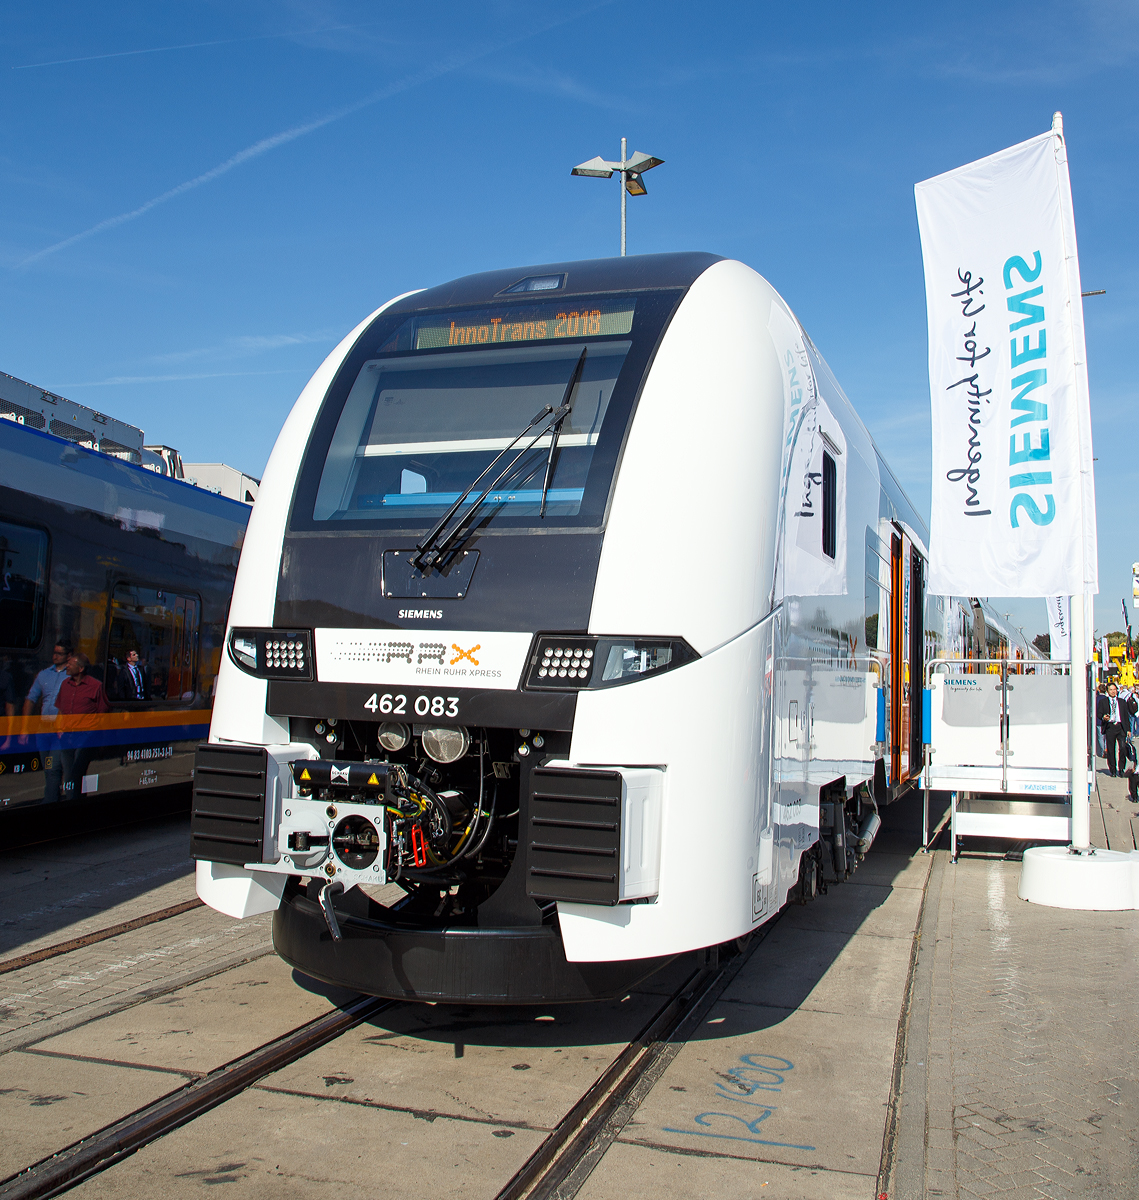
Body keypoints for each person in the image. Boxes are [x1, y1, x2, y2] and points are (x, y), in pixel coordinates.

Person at [1096, 682, 1136, 778]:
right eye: (1111, 690)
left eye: (1114, 689)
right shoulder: (1103, 702)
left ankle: (1121, 768)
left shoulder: (1122, 702)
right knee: (1111, 750)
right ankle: (1112, 769)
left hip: (1120, 727)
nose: (1113, 692)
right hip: (1110, 727)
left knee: (1122, 748)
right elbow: (1099, 714)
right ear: (1107, 691)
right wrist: (1104, 717)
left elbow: (1125, 716)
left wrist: (1128, 730)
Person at [23, 641, 71, 716]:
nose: (55, 656)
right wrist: (25, 726)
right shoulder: (44, 674)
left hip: (63, 723)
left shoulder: (72, 675)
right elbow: (31, 699)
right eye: (54, 653)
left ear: (68, 656)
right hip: (44, 723)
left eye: (59, 654)